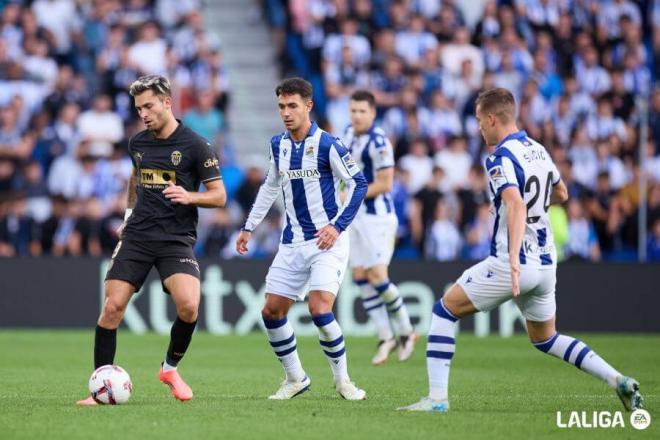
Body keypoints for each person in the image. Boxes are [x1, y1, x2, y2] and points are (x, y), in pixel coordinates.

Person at [398, 88, 643, 413]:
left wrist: (512, 257)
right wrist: (531, 206)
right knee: (546, 338)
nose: (479, 129)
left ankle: (436, 400)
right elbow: (562, 193)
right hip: (545, 263)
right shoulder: (538, 150)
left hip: (513, 262)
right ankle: (618, 380)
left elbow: (514, 203)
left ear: (492, 118)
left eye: (479, 122)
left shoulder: (500, 157)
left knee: (444, 310)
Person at [77, 75, 227, 405]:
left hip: (175, 238)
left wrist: (189, 196)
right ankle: (101, 385)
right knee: (112, 307)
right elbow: (135, 177)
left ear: (167, 103)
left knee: (189, 305)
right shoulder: (138, 143)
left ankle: (170, 368)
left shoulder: (196, 146)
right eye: (138, 108)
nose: (143, 113)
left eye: (149, 106)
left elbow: (219, 197)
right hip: (138, 236)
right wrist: (128, 215)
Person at [235, 77, 368, 400]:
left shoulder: (328, 145)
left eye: (292, 105)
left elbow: (358, 183)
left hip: (327, 241)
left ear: (308, 106)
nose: (286, 112)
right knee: (271, 312)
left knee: (320, 310)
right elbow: (269, 187)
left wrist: (337, 226)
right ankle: (296, 378)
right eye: (281, 106)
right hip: (292, 242)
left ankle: (343, 381)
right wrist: (249, 226)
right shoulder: (277, 145)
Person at [342, 90, 417, 365]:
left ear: (373, 113)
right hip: (355, 218)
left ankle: (407, 331)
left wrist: (350, 195)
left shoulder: (380, 141)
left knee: (377, 276)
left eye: (362, 111)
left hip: (378, 218)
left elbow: (385, 184)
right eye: (353, 111)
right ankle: (386, 336)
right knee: (360, 276)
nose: (357, 116)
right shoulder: (347, 134)